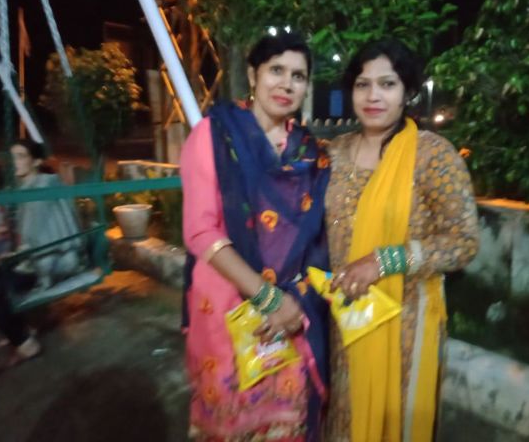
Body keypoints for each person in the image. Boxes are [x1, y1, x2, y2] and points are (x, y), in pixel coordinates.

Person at [324, 39, 480, 442]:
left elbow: (463, 241)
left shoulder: (433, 156)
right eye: (362, 84)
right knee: (345, 417)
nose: (373, 96)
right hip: (343, 320)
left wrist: (385, 261)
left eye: (387, 84)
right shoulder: (334, 153)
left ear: (407, 91)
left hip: (405, 325)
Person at [180, 32, 331, 441]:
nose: (286, 84)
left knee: (285, 422)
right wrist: (268, 299)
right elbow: (200, 230)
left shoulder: (308, 154)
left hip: (291, 312)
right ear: (253, 75)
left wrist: (291, 303)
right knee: (232, 423)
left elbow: (316, 241)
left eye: (298, 76)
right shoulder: (213, 135)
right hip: (227, 305)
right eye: (276, 70)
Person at [0, 164, 41, 365]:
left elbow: (22, 241)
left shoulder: (7, 205)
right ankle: (22, 334)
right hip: (13, 261)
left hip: (27, 268)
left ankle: (25, 342)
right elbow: (3, 236)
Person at [9, 139, 82, 290]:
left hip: (51, 263)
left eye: (21, 156)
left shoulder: (41, 189)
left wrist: (11, 256)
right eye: (13, 157)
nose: (15, 162)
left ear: (36, 162)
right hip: (42, 258)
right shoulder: (30, 188)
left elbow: (35, 235)